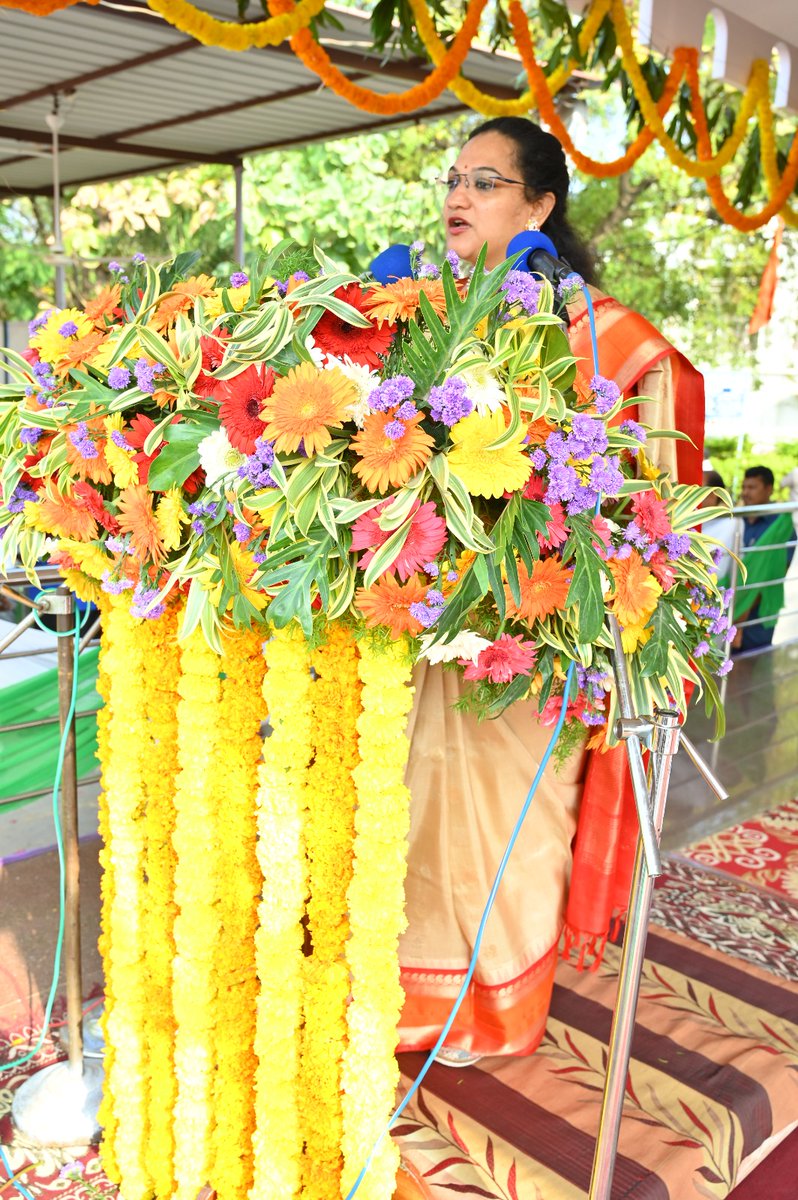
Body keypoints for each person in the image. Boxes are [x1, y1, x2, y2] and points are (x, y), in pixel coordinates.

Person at [396, 117, 705, 1064]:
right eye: (454, 178)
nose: (459, 195)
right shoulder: (417, 322)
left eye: (486, 182)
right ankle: (407, 997)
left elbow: (655, 472)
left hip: (536, 628)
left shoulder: (606, 339)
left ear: (539, 205)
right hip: (421, 621)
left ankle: (497, 1012)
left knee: (509, 820)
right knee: (416, 804)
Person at [731, 466, 795, 653]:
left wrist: (739, 623)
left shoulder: (780, 528)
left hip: (756, 616)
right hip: (730, 611)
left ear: (769, 489)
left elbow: (772, 575)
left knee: (749, 670)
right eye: (744, 487)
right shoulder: (737, 521)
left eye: (752, 487)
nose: (745, 493)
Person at [701, 468, 737, 581]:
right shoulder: (697, 517)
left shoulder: (730, 522)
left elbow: (716, 563)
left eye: (698, 489)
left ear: (713, 494)